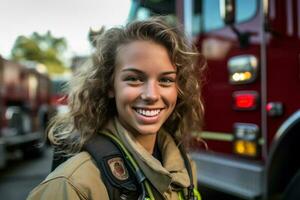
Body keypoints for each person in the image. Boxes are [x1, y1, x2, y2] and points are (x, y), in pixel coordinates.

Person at [27, 17, 206, 200]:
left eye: (166, 80)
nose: (151, 95)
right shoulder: (71, 185)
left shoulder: (185, 168)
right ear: (110, 86)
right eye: (134, 78)